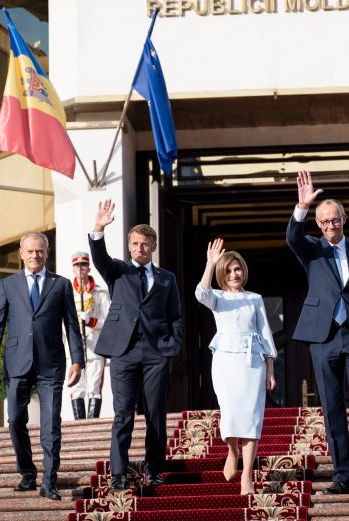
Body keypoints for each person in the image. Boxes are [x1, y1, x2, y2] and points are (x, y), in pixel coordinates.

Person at [286, 170, 349, 496]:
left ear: (344, 219)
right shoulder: (312, 249)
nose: (331, 226)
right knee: (331, 407)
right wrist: (301, 207)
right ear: (318, 224)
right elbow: (292, 238)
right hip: (324, 338)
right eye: (325, 222)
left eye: (335, 220)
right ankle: (342, 475)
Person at [89, 200, 184, 490]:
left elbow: (175, 316)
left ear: (152, 246)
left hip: (157, 352)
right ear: (129, 246)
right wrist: (98, 229)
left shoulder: (167, 279)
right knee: (123, 414)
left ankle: (154, 470)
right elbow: (99, 258)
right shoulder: (118, 271)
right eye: (134, 243)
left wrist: (172, 345)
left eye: (144, 244)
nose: (139, 248)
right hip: (124, 351)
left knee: (156, 415)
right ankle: (118, 472)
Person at [0, 232, 85, 501]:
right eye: (29, 251)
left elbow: (72, 326)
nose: (34, 256)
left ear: (47, 252)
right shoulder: (8, 285)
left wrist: (77, 360)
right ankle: (27, 472)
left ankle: (49, 482)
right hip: (17, 363)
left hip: (51, 364)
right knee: (16, 420)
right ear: (21, 253)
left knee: (51, 424)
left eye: (39, 251)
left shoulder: (61, 285)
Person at [195, 238, 277, 495]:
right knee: (230, 414)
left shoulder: (255, 298)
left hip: (253, 362)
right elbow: (201, 294)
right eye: (228, 270)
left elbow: (265, 334)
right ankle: (232, 451)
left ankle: (247, 477)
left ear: (244, 271)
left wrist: (271, 369)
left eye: (237, 269)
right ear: (222, 274)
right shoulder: (217, 297)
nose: (234, 274)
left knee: (252, 418)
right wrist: (210, 264)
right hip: (226, 362)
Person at [69, 251, 111, 419]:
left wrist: (92, 321)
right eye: (77, 265)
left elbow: (108, 320)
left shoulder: (100, 292)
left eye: (84, 265)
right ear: (73, 269)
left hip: (94, 345)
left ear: (89, 267)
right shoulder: (66, 292)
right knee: (76, 387)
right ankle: (79, 427)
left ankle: (92, 424)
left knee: (94, 387)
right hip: (73, 348)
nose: (81, 268)